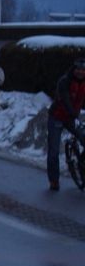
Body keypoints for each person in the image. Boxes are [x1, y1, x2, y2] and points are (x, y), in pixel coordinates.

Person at [46, 56, 85, 191]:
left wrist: (75, 115)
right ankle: (54, 180)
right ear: (74, 69)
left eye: (83, 70)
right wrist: (73, 114)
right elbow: (65, 99)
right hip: (57, 117)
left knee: (83, 137)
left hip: (71, 117)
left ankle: (81, 165)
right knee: (54, 151)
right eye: (78, 69)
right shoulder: (64, 81)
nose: (80, 72)